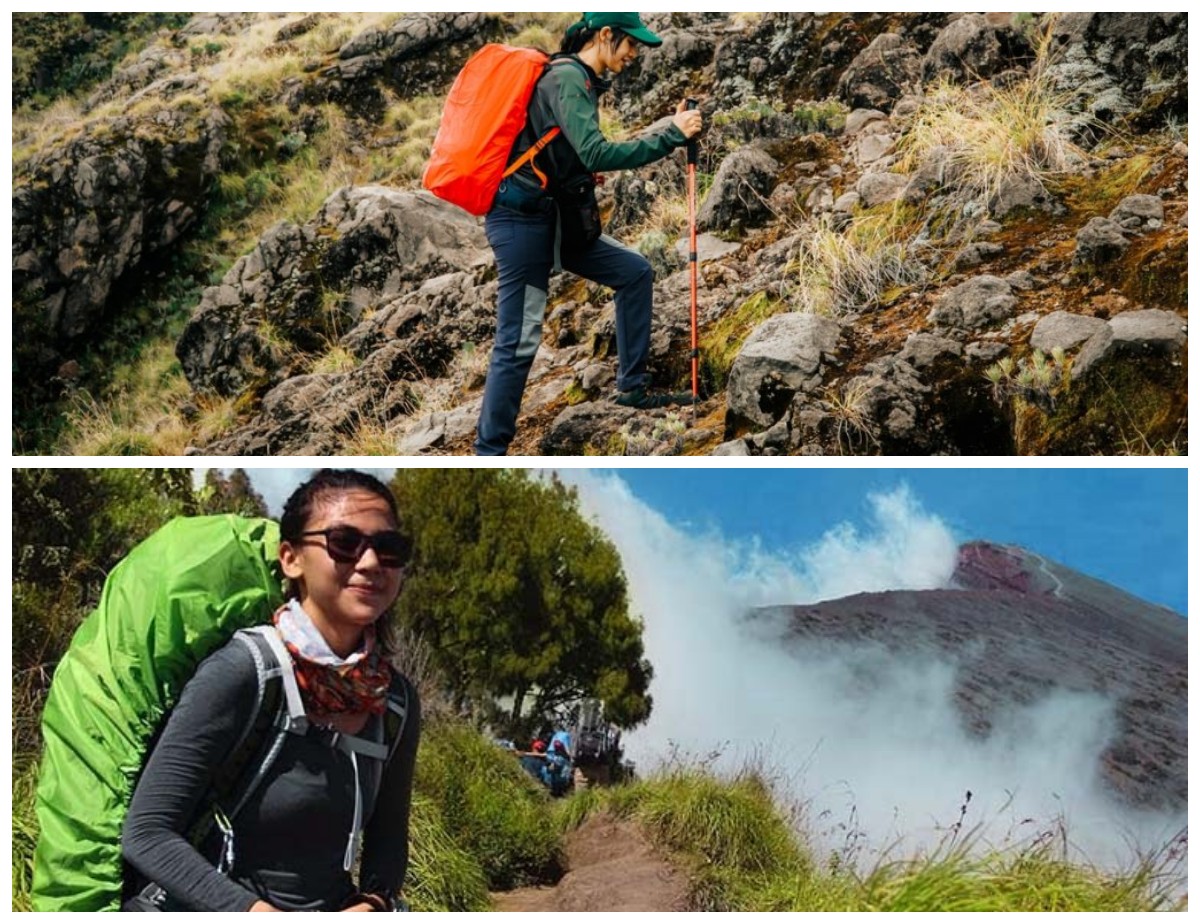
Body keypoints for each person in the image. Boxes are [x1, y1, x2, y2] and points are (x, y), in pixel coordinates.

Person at [121, 470, 421, 911]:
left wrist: (373, 903)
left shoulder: (395, 702)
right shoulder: (245, 671)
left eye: (389, 548)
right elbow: (147, 833)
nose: (371, 562)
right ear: (290, 558)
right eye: (344, 542)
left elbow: (388, 839)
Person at [475, 11, 705, 456]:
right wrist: (669, 137)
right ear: (604, 35)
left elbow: (575, 155)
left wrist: (667, 131)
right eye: (630, 44)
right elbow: (596, 153)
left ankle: (632, 388)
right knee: (519, 336)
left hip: (554, 218)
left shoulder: (581, 82)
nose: (634, 53)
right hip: (521, 221)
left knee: (634, 271)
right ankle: (489, 450)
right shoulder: (567, 79)